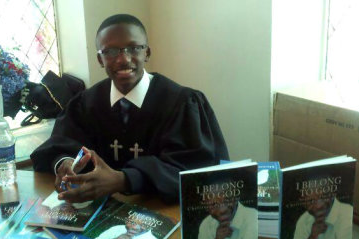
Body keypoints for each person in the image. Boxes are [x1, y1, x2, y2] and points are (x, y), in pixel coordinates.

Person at [31, 14, 229, 204]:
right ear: (100, 59)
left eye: (134, 48)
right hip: (102, 210)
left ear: (147, 53)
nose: (123, 59)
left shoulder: (182, 103)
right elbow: (60, 144)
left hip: (163, 209)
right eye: (110, 51)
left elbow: (196, 170)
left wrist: (125, 179)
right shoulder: (85, 104)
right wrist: (65, 163)